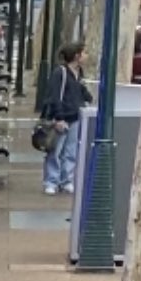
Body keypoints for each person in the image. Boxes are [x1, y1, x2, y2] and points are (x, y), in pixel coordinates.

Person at [41, 42, 92, 196]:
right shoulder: (60, 73)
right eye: (84, 53)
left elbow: (82, 93)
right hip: (62, 117)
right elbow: (55, 96)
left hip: (75, 117)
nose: (86, 56)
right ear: (76, 55)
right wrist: (59, 118)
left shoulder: (79, 73)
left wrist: (86, 95)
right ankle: (51, 181)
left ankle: (66, 180)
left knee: (70, 151)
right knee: (55, 151)